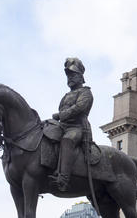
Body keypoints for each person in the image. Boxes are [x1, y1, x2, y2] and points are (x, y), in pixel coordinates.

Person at [50, 57, 94, 191]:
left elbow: (79, 108)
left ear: (81, 76)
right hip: (62, 126)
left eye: (73, 75)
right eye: (68, 75)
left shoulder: (86, 92)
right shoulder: (66, 95)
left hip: (77, 127)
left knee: (67, 140)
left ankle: (63, 178)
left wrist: (61, 115)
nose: (70, 78)